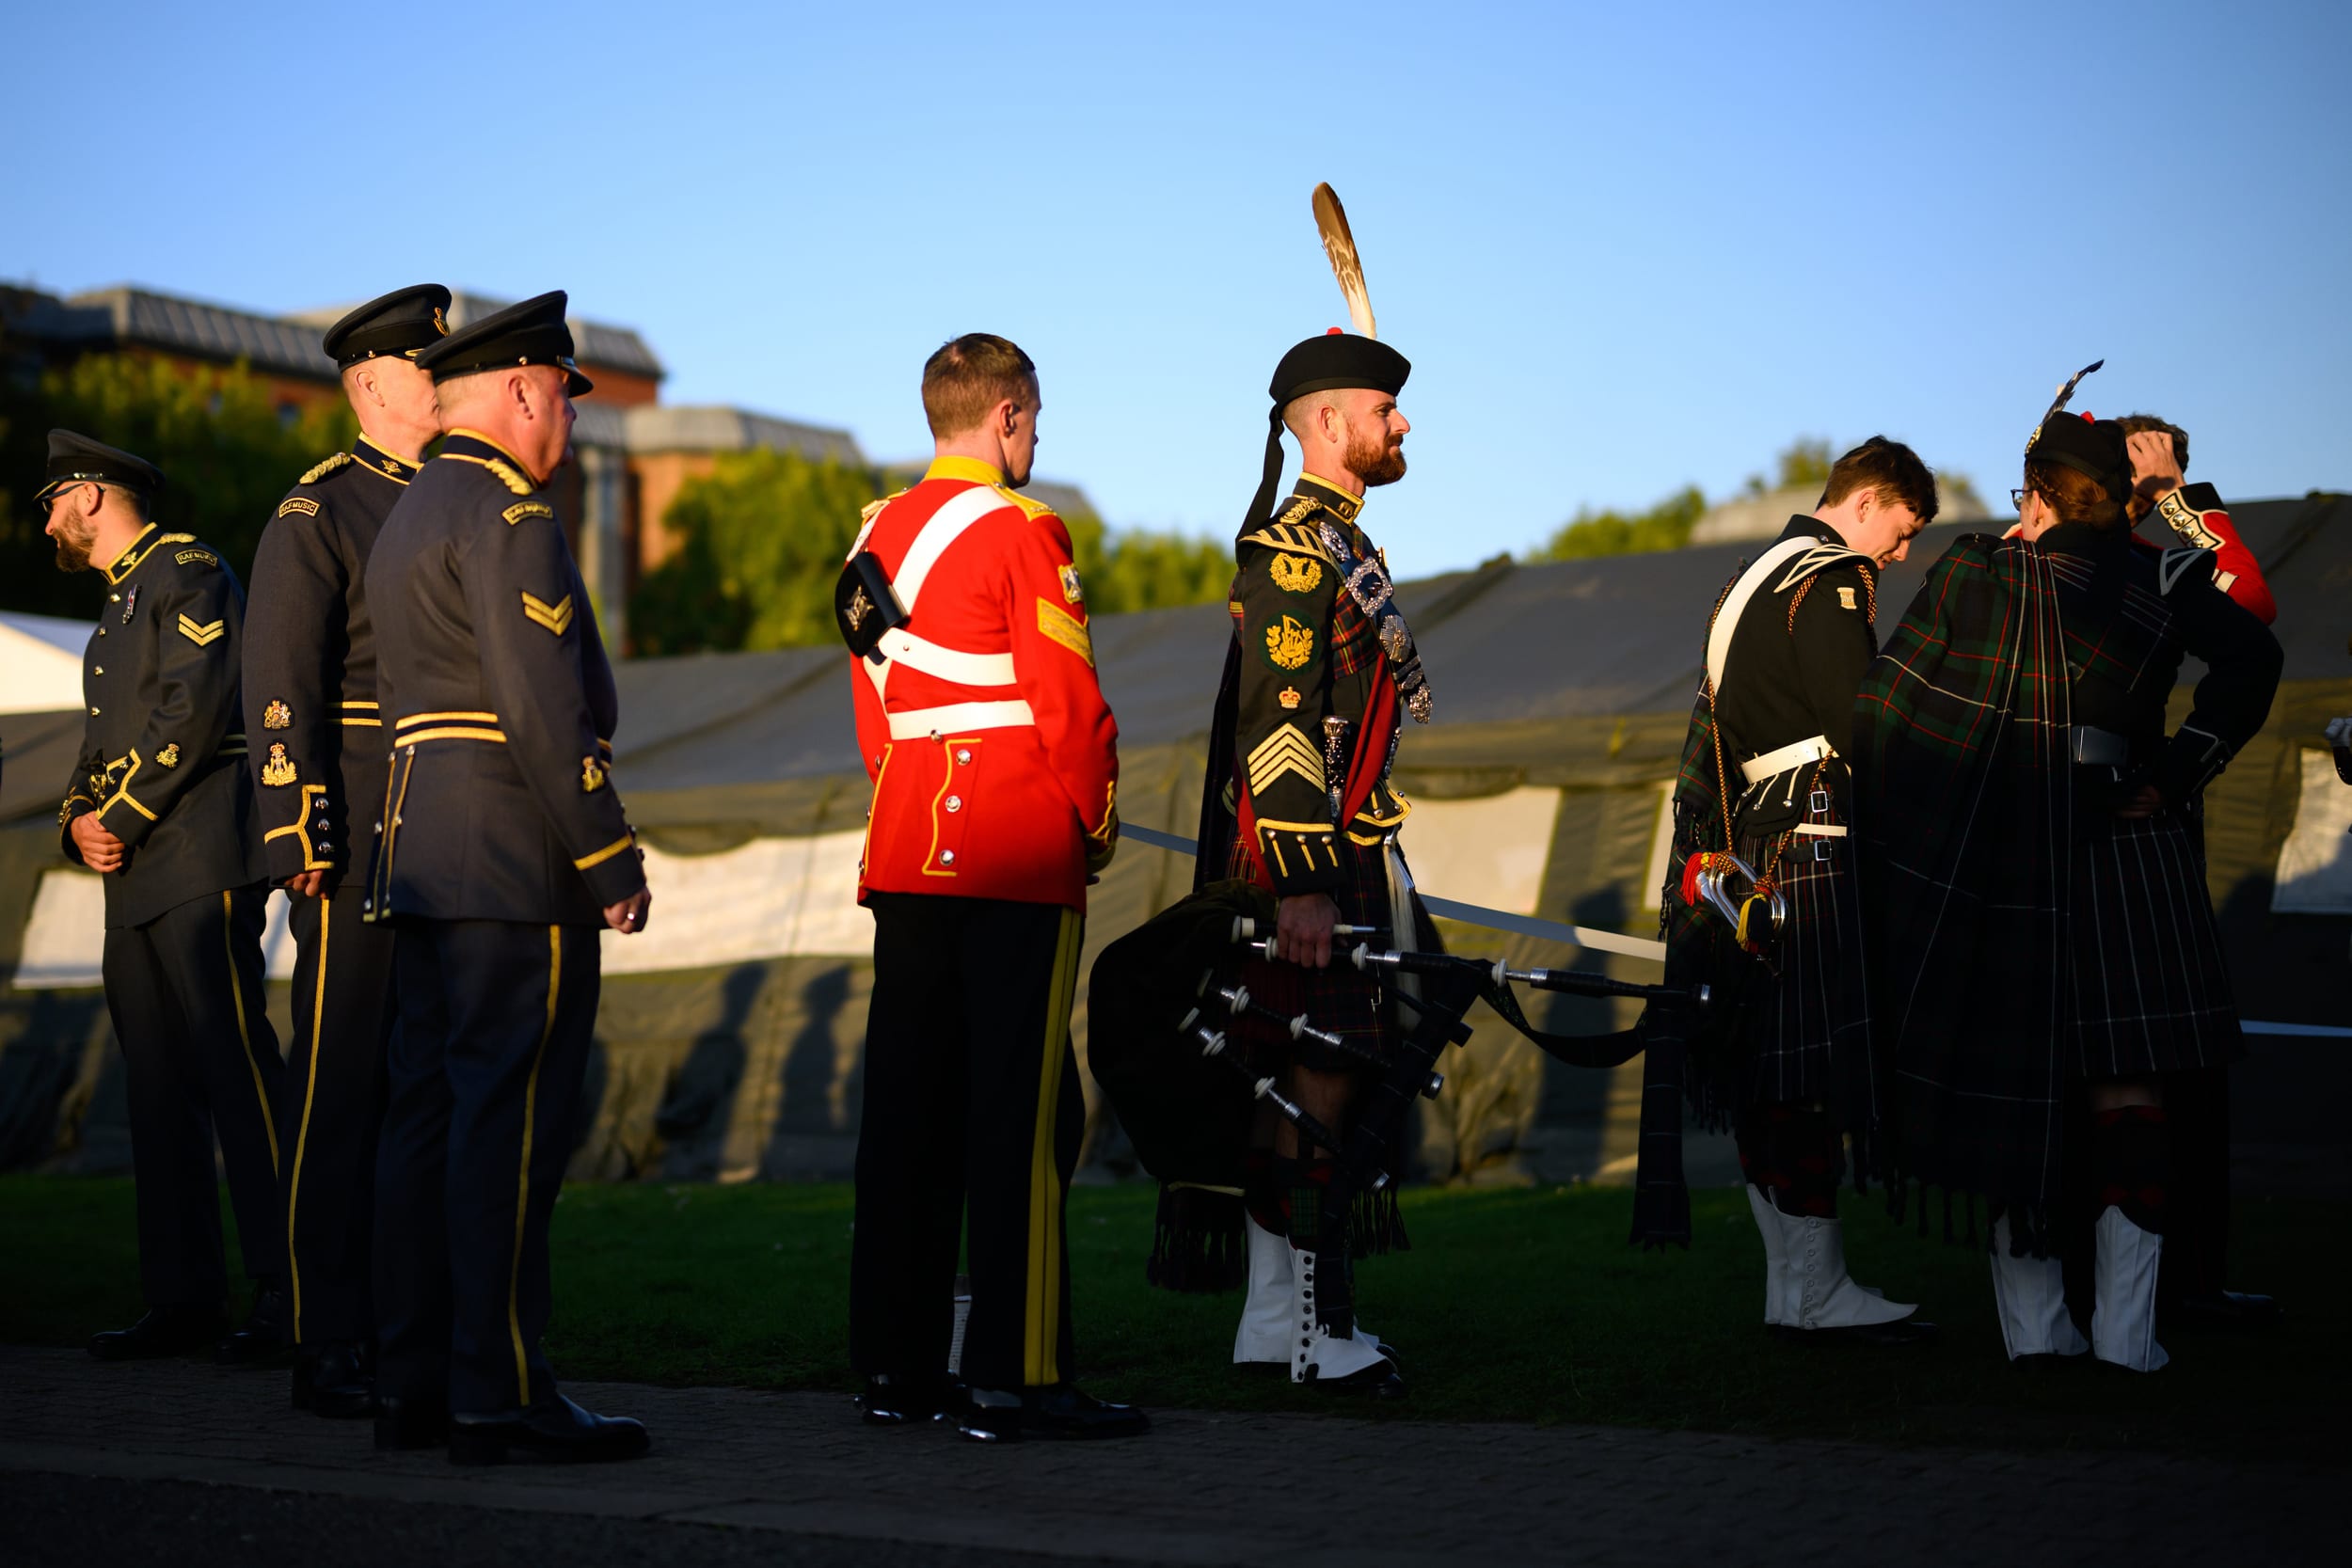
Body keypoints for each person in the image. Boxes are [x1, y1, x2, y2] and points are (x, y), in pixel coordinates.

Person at [1856, 384, 2281, 1372]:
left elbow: (1890, 711)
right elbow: (2253, 657)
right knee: (2129, 1092)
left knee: (2022, 1088)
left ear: (2038, 496)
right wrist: (2178, 770)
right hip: (2134, 843)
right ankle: (2130, 1338)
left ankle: (2039, 1333)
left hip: (2009, 850)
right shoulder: (2165, 576)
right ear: (2117, 501)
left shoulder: (1980, 570)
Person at [361, 292, 653, 1462]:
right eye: (566, 399)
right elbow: (539, 704)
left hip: (422, 850)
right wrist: (605, 852)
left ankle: (415, 1382)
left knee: (426, 1121)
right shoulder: (507, 508)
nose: (571, 425)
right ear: (525, 386)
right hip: (513, 857)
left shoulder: (411, 505)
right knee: (511, 1131)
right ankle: (504, 1390)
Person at [838, 333, 1138, 1444]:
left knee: (908, 1119)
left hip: (907, 851)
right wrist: (1094, 821)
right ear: (1008, 415)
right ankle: (1020, 1373)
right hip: (1015, 854)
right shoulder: (1024, 528)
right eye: (1036, 417)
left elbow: (878, 719)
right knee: (1021, 1120)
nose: (1038, 436)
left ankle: (895, 1368)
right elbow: (1068, 704)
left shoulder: (871, 535)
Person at [1191, 328, 1443, 1396]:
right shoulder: (1296, 552)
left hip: (1333, 849)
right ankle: (1310, 1330)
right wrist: (1299, 878)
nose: (1403, 426)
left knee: (1300, 1087)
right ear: (1330, 422)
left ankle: (1271, 1325)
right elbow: (1279, 723)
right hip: (1308, 858)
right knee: (1317, 1089)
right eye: (1385, 411)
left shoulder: (1334, 542)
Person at [1664, 438, 1938, 1345]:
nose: (1897, 558)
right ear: (1866, 503)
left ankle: (1792, 1286)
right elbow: (1859, 723)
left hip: (1753, 840)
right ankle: (1819, 1291)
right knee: (1805, 1078)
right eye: (1900, 533)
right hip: (1813, 838)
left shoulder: (1748, 579)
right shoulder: (1830, 579)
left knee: (1767, 1072)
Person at [244, 284, 452, 1418]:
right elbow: (279, 684)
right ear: (370, 383)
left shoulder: (459, 498)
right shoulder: (317, 509)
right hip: (362, 821)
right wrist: (297, 824)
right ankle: (325, 1332)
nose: (444, 381)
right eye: (428, 367)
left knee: (430, 1084)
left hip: (451, 821)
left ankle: (411, 1320)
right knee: (340, 1083)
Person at [40, 430, 289, 1363]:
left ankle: (290, 1288)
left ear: (94, 494)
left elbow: (197, 705)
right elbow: (95, 750)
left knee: (237, 1073)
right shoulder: (114, 613)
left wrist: (123, 813)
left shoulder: (185, 569)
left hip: (198, 858)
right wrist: (77, 823)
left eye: (53, 500)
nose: (48, 520)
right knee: (156, 1088)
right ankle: (183, 1297)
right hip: (136, 872)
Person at [2108, 413, 2280, 1331]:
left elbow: (2247, 608)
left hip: (2152, 820)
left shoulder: (2165, 550)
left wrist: (2177, 498)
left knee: (2185, 1064)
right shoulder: (2076, 552)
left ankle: (2190, 1274)